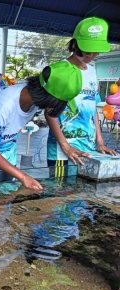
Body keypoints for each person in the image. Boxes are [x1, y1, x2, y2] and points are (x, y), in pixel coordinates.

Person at [0, 61, 82, 190]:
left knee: (6, 204)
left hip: (9, 159)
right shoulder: (2, 106)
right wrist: (23, 177)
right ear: (47, 98)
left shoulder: (31, 95)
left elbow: (50, 114)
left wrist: (65, 145)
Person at [46, 17, 118, 173]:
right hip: (63, 153)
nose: (91, 54)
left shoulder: (92, 71)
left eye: (95, 49)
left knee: (82, 192)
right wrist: (66, 146)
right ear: (75, 44)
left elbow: (93, 110)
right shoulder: (60, 70)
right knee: (61, 192)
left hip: (89, 148)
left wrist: (100, 141)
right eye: (87, 48)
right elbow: (50, 112)